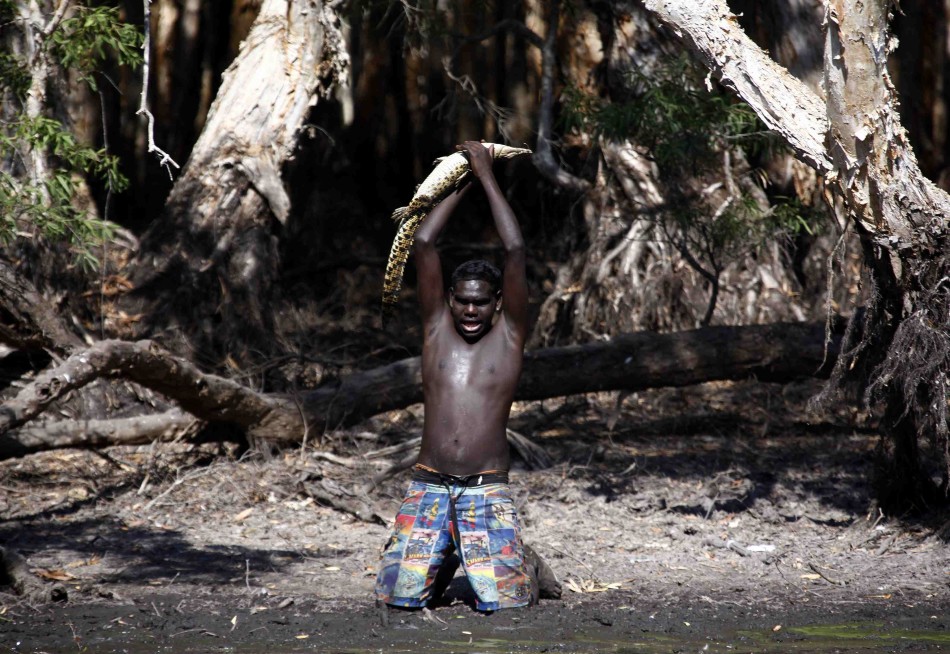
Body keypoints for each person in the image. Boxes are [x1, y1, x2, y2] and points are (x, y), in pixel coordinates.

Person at [375, 140, 539, 613]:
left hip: (484, 487)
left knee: (506, 605)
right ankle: (445, 555)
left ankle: (524, 563)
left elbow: (515, 249)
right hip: (428, 484)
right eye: (462, 300)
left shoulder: (508, 338)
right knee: (396, 599)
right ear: (449, 300)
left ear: (498, 304)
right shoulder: (435, 332)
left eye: (481, 301)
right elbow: (423, 243)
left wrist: (487, 174)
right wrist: (460, 177)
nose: (471, 309)